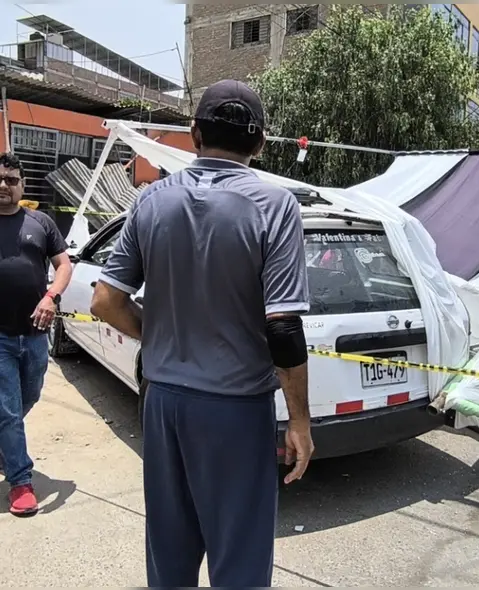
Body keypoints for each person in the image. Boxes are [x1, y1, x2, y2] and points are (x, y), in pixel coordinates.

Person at [90, 80, 314, 587]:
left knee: (169, 554)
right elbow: (282, 326)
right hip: (235, 406)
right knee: (239, 560)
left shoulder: (150, 201)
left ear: (194, 134)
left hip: (163, 401)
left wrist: (158, 333)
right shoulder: (275, 206)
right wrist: (300, 419)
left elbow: (105, 300)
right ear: (259, 143)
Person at [0, 153, 72, 516]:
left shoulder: (40, 222)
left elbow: (64, 265)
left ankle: (4, 444)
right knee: (9, 410)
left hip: (35, 333)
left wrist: (50, 296)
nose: (4, 186)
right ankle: (21, 481)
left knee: (28, 396)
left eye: (11, 180)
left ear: (22, 185)